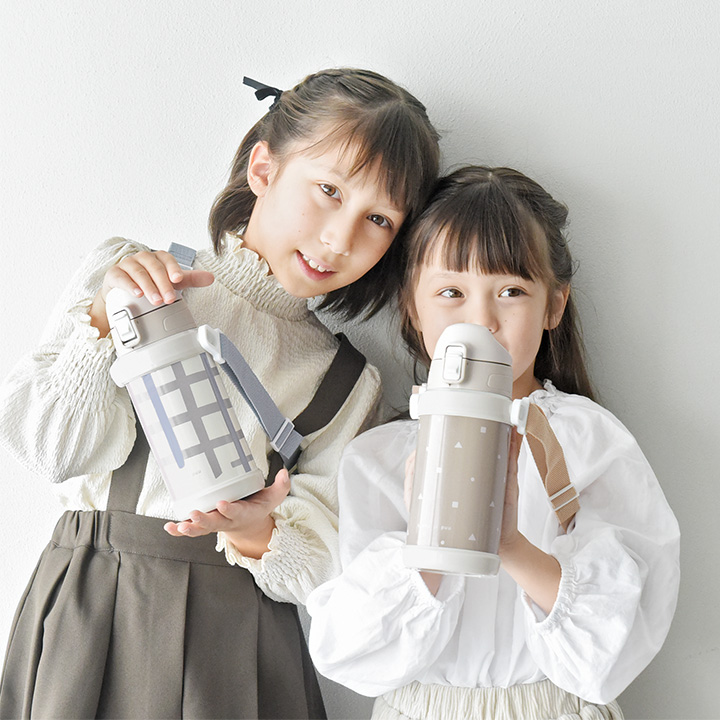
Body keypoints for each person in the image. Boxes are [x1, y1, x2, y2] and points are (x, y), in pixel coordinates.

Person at [0, 68, 440, 719]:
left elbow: (327, 575)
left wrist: (259, 531)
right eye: (328, 190)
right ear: (264, 168)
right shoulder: (128, 273)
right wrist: (103, 320)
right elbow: (52, 453)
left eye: (378, 219)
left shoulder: (348, 382)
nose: (339, 238)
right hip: (94, 608)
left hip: (237, 641)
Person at [306, 166, 680, 720]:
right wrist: (431, 543)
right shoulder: (379, 458)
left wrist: (509, 543)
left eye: (510, 291)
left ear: (554, 305)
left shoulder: (587, 439)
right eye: (451, 292)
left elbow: (619, 641)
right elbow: (352, 650)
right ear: (412, 306)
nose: (481, 320)